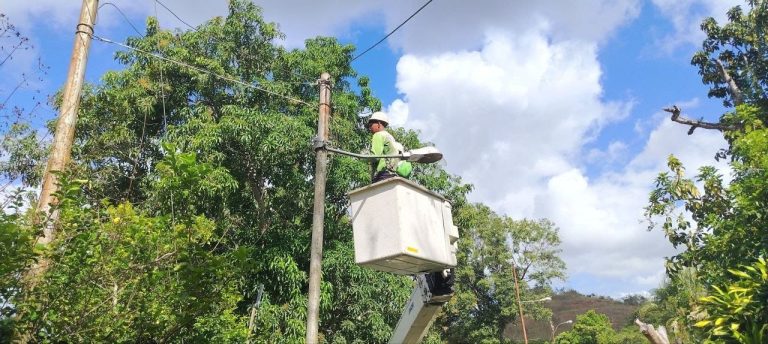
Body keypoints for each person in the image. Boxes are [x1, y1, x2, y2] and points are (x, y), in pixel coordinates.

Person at [367, 112, 412, 183]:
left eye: (371, 125)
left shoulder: (378, 135)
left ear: (378, 124)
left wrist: (363, 158)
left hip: (382, 174)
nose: (369, 128)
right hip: (392, 174)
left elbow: (375, 156)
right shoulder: (390, 137)